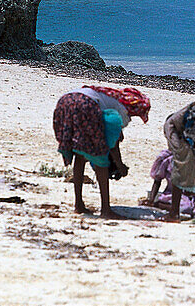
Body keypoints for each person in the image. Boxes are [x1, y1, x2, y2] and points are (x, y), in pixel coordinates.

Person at [52, 85, 150, 218]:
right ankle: (106, 210)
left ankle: (79, 205)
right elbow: (112, 143)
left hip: (66, 101)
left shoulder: (109, 96)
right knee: (101, 159)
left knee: (80, 155)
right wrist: (119, 165)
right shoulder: (121, 109)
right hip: (86, 105)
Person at [145, 149, 195, 221]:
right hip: (173, 194)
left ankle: (191, 209)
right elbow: (157, 180)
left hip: (194, 196)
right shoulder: (168, 159)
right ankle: (158, 204)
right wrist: (151, 199)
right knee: (185, 208)